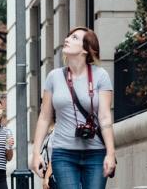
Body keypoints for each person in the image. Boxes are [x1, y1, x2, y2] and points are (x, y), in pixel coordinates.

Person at [29, 27, 116, 189]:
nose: (67, 39)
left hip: (96, 152)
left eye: (74, 38)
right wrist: (35, 154)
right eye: (68, 36)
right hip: (63, 153)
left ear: (85, 49)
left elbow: (105, 117)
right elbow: (44, 117)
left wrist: (110, 154)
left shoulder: (100, 76)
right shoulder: (54, 77)